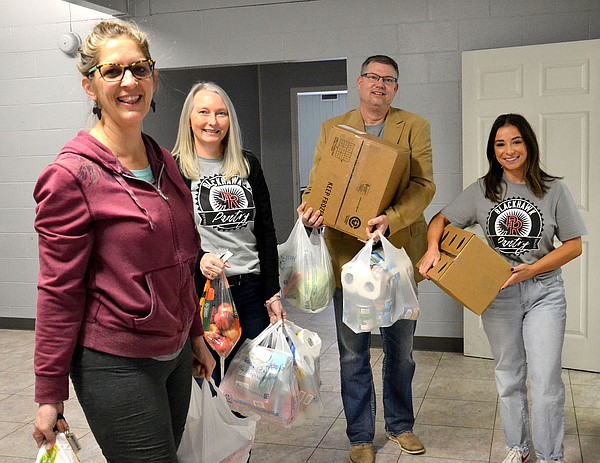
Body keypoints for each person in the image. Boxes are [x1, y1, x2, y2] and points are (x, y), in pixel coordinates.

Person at [32, 20, 215, 462]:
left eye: (139, 69)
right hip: (114, 361)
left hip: (172, 356)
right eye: (112, 71)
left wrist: (194, 335)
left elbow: (180, 260)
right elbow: (59, 290)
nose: (128, 81)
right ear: (89, 86)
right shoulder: (71, 177)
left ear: (153, 77)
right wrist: (48, 392)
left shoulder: (164, 160)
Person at [418, 114, 586, 463]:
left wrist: (531, 271)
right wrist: (433, 248)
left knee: (545, 381)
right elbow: (440, 220)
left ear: (528, 144)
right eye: (500, 144)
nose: (508, 150)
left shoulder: (554, 189)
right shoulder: (483, 190)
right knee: (509, 375)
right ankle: (519, 448)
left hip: (544, 292)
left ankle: (550, 455)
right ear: (492, 151)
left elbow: (573, 245)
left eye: (515, 141)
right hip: (498, 294)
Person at [300, 55, 435, 463]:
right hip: (348, 256)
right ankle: (360, 436)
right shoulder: (333, 129)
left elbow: (424, 185)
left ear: (395, 88)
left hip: (396, 253)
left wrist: (391, 220)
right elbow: (320, 184)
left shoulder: (414, 127)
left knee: (401, 351)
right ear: (358, 83)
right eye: (372, 77)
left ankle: (400, 425)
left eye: (388, 79)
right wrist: (310, 208)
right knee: (352, 352)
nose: (379, 84)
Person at [172, 81, 285, 382]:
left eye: (221, 113)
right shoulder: (174, 169)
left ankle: (241, 432)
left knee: (250, 387)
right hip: (204, 294)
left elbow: (266, 232)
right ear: (190, 118)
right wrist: (199, 259)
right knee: (208, 382)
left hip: (251, 290)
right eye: (204, 112)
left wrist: (272, 291)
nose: (212, 121)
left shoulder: (248, 165)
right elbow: (169, 237)